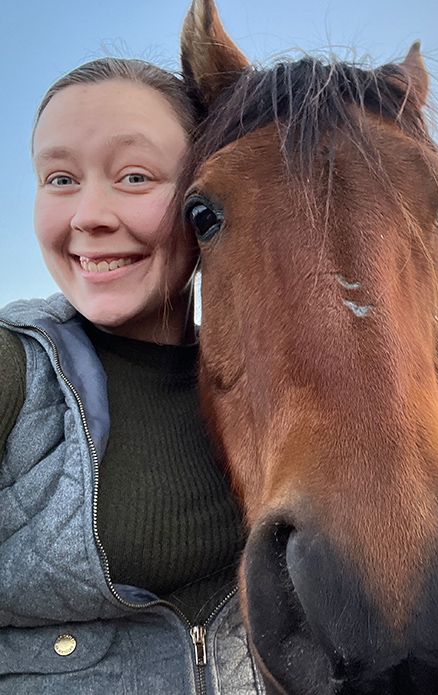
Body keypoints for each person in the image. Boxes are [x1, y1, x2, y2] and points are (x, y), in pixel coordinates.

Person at [0, 58, 263, 693]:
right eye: (59, 178)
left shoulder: (262, 383)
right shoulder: (14, 370)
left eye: (135, 176)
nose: (88, 214)